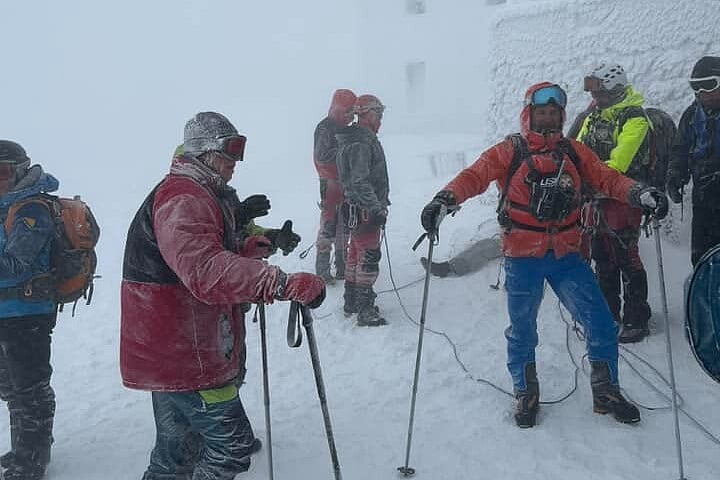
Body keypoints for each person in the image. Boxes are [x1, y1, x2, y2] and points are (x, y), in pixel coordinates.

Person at [420, 82, 668, 428]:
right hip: (522, 258)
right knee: (522, 331)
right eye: (542, 113)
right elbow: (475, 175)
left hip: (567, 256)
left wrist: (640, 193)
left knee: (600, 322)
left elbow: (608, 179)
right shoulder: (511, 150)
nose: (548, 119)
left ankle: (606, 389)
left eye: (554, 114)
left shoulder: (574, 152)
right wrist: (444, 200)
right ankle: (525, 391)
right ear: (529, 114)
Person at [120, 112, 326, 480]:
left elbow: (197, 256)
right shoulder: (182, 197)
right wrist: (280, 283)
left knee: (177, 448)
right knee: (230, 447)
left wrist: (250, 247)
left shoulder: (198, 191)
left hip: (171, 345)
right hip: (186, 348)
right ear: (203, 153)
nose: (234, 165)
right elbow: (204, 270)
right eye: (227, 156)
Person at [574, 63, 654, 343]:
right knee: (602, 257)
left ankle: (637, 318)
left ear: (617, 89)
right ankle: (608, 313)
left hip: (624, 197)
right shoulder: (594, 115)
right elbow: (580, 149)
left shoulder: (635, 118)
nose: (596, 99)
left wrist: (589, 178)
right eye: (595, 94)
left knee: (626, 257)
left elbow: (620, 162)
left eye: (602, 93)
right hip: (596, 197)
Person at [0, 141, 60, 479]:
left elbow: (17, 264)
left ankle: (33, 457)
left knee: (30, 386)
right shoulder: (4, 206)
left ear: (20, 170)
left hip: (27, 313)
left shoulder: (31, 209)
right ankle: (24, 445)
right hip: (5, 311)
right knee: (9, 385)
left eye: (2, 171)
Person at [336, 94, 390, 326]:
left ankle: (351, 300)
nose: (380, 120)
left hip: (353, 206)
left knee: (355, 253)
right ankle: (365, 308)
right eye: (378, 114)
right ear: (367, 114)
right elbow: (359, 180)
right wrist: (375, 208)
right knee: (368, 255)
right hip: (364, 208)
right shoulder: (361, 142)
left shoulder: (354, 139)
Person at [667, 56, 720, 266]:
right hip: (704, 196)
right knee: (702, 257)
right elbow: (680, 150)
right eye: (696, 87)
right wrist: (675, 175)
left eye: (709, 85)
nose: (701, 93)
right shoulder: (692, 115)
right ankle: (705, 296)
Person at [313, 89, 357, 284]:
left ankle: (342, 265)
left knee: (345, 224)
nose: (350, 117)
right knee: (329, 224)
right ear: (339, 109)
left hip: (344, 181)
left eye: (352, 113)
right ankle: (322, 269)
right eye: (347, 112)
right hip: (330, 182)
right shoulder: (325, 128)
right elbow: (322, 156)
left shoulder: (344, 127)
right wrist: (346, 149)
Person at [420, 236, 502, 277]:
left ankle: (450, 268)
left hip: (512, 244)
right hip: (511, 235)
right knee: (484, 243)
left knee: (486, 250)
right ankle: (450, 265)